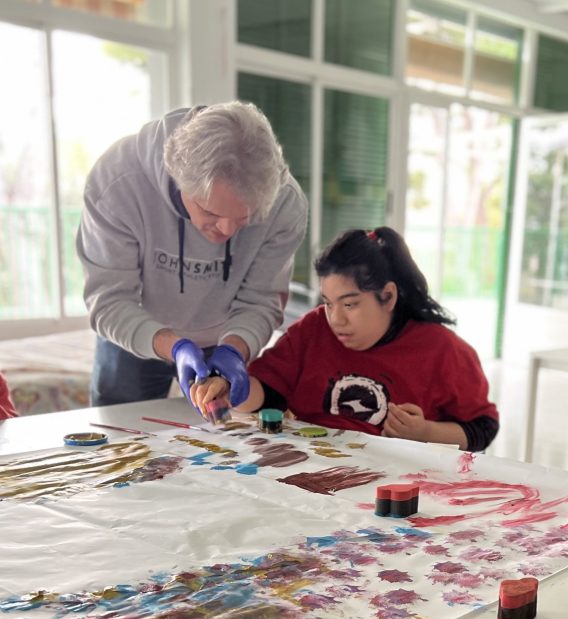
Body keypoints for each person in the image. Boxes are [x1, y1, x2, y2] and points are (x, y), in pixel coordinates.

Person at [79, 101, 309, 408]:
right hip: (133, 331)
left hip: (225, 337)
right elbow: (109, 301)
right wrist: (176, 347)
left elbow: (261, 300)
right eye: (211, 212)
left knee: (222, 434)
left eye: (245, 217)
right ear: (178, 179)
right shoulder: (116, 182)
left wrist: (235, 349)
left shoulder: (286, 204)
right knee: (117, 431)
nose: (226, 229)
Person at [190, 227, 499, 452]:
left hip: (393, 484)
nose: (336, 319)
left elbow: (481, 429)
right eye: (328, 303)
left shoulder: (443, 350)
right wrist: (233, 387)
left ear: (388, 296)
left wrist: (426, 432)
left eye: (350, 304)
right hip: (308, 470)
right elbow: (269, 393)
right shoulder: (313, 329)